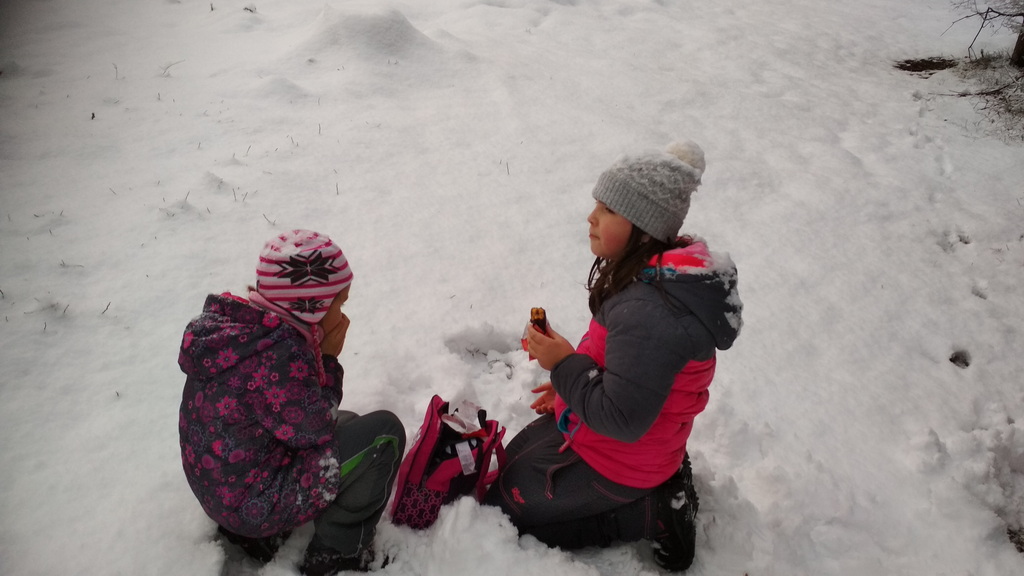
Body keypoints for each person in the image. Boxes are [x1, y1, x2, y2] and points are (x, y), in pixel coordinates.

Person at [483, 141, 742, 571]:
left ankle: (652, 512)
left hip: (625, 455)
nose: (591, 217)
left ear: (644, 227)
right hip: (631, 441)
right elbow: (624, 365)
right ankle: (660, 475)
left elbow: (622, 417)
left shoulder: (652, 312)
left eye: (607, 210)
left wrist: (565, 366)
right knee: (508, 466)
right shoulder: (651, 279)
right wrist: (569, 385)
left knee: (507, 510)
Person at [178, 229, 406, 575]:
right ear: (311, 307)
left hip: (224, 491)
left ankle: (261, 534)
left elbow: (296, 416)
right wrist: (329, 360)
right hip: (250, 508)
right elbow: (319, 426)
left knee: (352, 424)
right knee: (383, 436)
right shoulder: (278, 357)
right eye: (340, 303)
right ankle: (337, 552)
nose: (344, 315)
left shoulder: (244, 333)